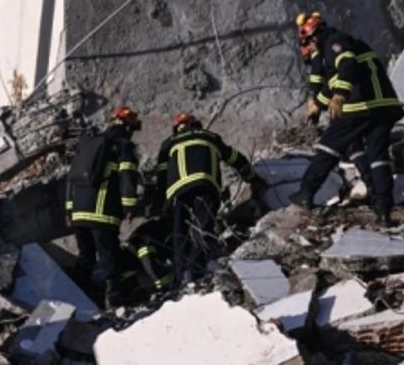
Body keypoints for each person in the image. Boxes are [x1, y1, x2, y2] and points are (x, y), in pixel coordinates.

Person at [290, 13, 404, 225]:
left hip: (360, 105)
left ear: (314, 37)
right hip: (383, 106)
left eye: (307, 43)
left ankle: (306, 192)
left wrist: (340, 95)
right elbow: (333, 81)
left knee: (328, 147)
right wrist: (318, 104)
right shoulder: (346, 43)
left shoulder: (334, 41)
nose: (310, 50)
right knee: (378, 155)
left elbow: (347, 66)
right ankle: (383, 209)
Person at [155, 113, 262, 286]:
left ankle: (180, 275)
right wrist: (253, 178)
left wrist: (164, 202)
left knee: (179, 232)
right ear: (196, 124)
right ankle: (197, 270)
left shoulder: (168, 143)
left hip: (177, 192)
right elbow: (235, 159)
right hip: (204, 185)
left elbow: (161, 174)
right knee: (203, 227)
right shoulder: (210, 137)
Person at [65, 106, 141, 308]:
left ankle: (75, 299)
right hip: (102, 213)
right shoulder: (123, 145)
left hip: (79, 214)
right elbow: (127, 176)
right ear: (128, 126)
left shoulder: (89, 144)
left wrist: (69, 210)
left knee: (85, 258)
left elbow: (70, 179)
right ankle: (113, 301)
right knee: (109, 258)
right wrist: (129, 206)